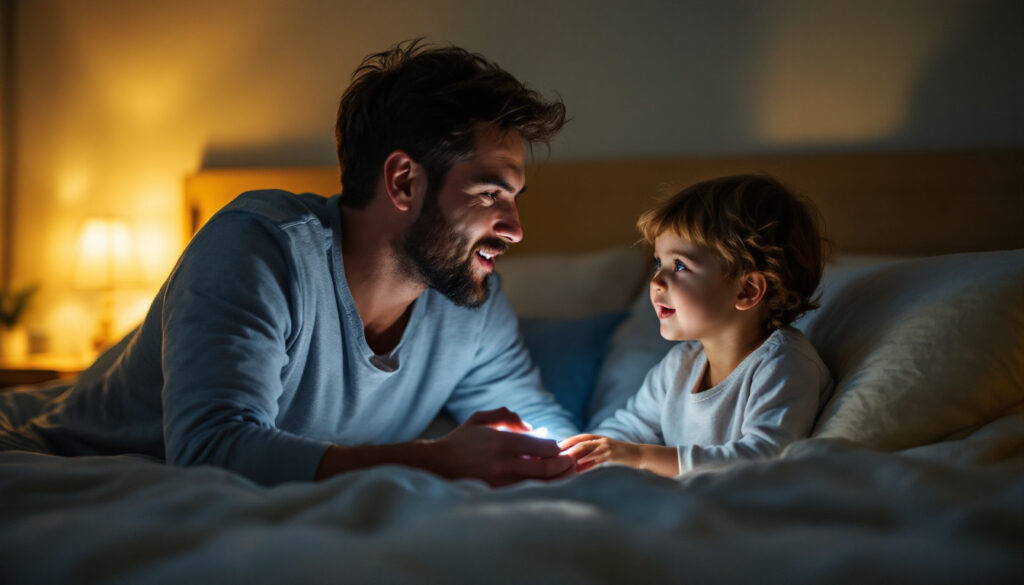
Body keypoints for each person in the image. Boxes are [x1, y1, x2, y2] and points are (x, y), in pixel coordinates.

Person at [4, 39, 579, 486]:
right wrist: (437, 462)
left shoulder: (468, 299)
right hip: (43, 447)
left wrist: (627, 454)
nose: (515, 229)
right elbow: (210, 446)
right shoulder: (258, 250)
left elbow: (544, 430)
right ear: (404, 181)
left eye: (513, 199)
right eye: (489, 195)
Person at [560, 174, 833, 476]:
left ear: (747, 291)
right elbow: (630, 427)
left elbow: (764, 457)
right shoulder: (679, 365)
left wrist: (638, 457)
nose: (656, 281)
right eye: (657, 263)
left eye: (679, 266)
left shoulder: (784, 364)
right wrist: (591, 451)